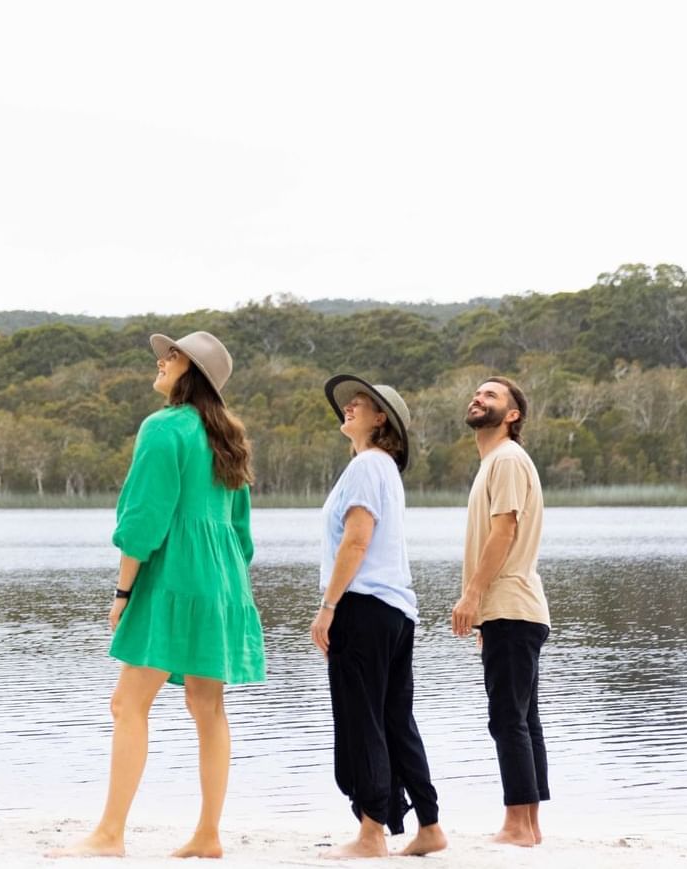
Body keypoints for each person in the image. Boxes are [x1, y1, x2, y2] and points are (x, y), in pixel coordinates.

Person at [53, 331, 264, 860]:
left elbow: (144, 520)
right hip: (224, 583)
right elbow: (241, 534)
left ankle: (110, 833)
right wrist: (224, 578)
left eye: (171, 356)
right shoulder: (229, 438)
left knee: (127, 703)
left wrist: (124, 590)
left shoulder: (164, 427)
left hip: (173, 576)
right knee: (207, 707)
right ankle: (208, 835)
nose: (161, 361)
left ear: (190, 372)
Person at [309, 375, 446, 858]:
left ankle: (371, 833)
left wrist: (328, 607)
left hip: (363, 607)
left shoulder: (368, 464)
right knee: (393, 718)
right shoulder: (384, 466)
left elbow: (357, 539)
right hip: (395, 611)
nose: (348, 406)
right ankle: (428, 824)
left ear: (381, 418)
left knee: (360, 719)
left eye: (360, 403)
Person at [451, 375, 551, 847]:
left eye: (490, 395)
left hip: (511, 603)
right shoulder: (496, 462)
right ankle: (528, 825)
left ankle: (517, 825)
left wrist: (473, 596)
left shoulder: (507, 458)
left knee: (508, 718)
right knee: (522, 717)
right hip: (512, 609)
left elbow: (505, 531)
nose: (478, 398)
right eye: (477, 393)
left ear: (512, 415)